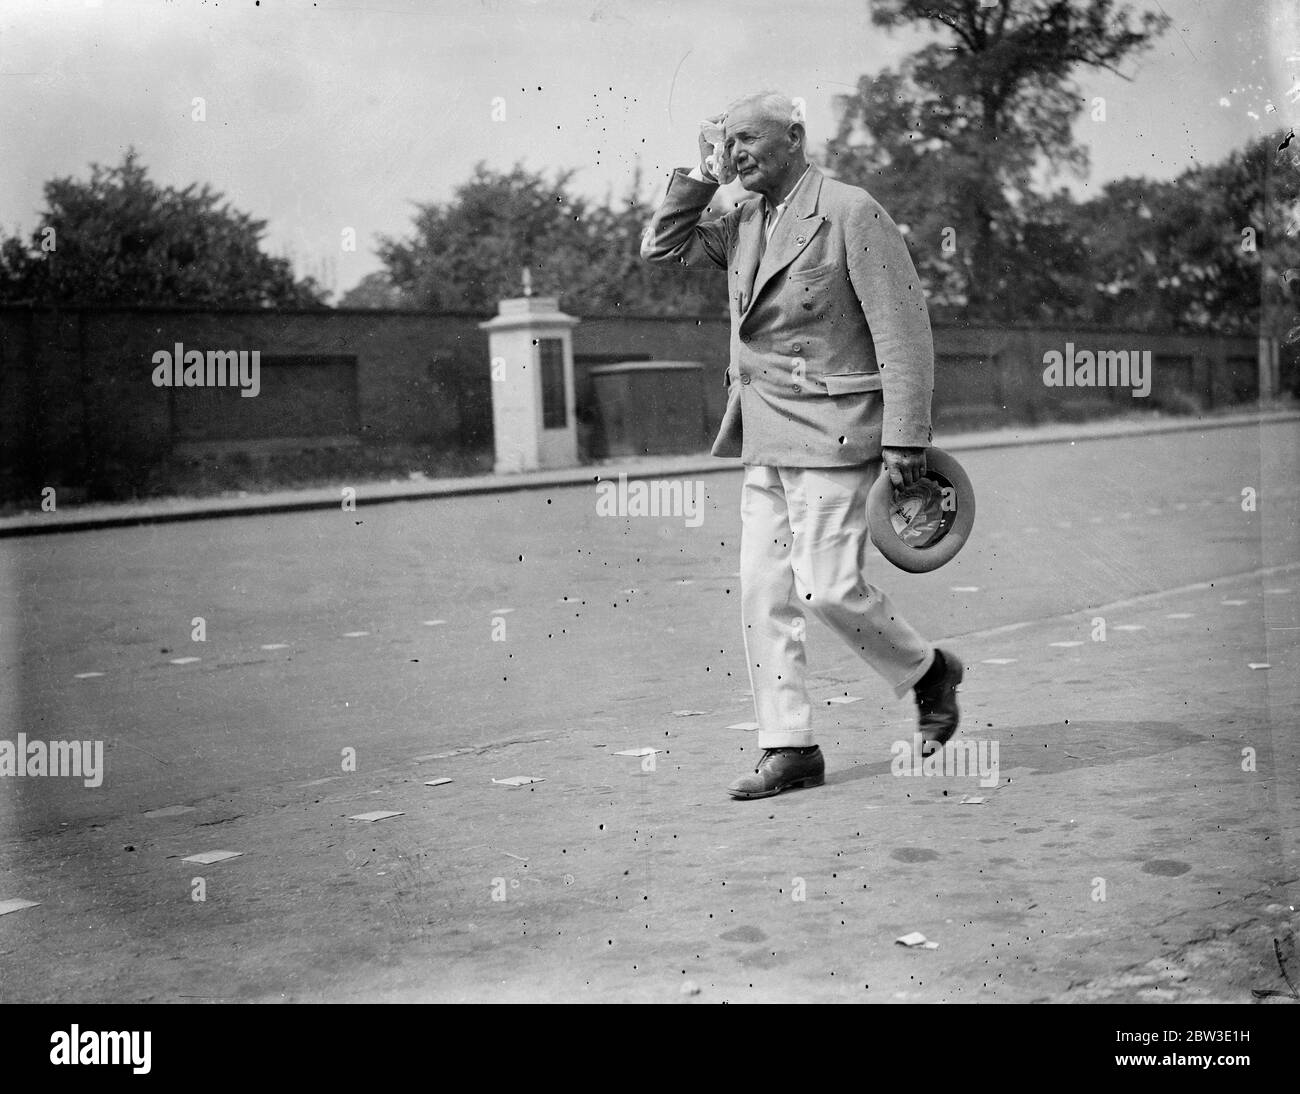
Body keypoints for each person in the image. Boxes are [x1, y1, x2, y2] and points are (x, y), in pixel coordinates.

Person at [640, 90, 964, 799]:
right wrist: (701, 173)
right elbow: (661, 248)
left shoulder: (850, 210)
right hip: (763, 429)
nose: (736, 154)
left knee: (826, 588)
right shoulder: (739, 218)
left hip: (836, 429)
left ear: (795, 136)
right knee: (764, 592)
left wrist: (906, 436)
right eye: (726, 143)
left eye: (746, 140)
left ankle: (927, 671)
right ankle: (788, 746)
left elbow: (903, 329)